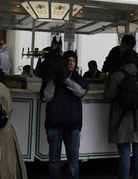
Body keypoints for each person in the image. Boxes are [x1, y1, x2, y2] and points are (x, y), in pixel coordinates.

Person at [104, 50, 138, 179]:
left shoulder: (116, 76)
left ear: (123, 61)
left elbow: (108, 96)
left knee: (124, 154)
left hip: (120, 120)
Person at [41, 50, 89, 179]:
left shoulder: (79, 78)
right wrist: (52, 78)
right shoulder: (52, 78)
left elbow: (81, 92)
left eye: (73, 61)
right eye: (68, 60)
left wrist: (65, 80)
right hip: (54, 124)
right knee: (54, 160)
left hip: (72, 125)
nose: (71, 63)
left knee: (73, 161)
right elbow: (46, 97)